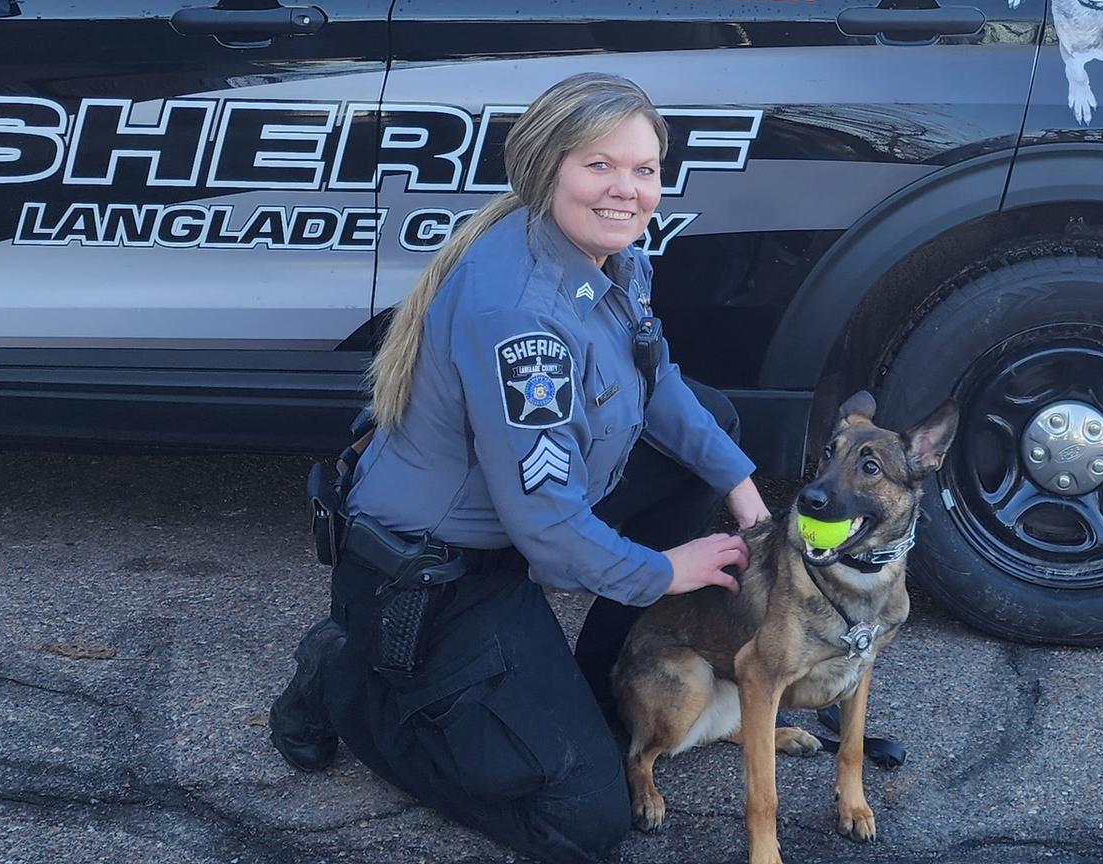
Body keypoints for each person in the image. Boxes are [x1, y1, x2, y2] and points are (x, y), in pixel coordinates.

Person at [268, 72, 769, 862]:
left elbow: (655, 377)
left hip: (516, 526)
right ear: (545, 168)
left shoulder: (610, 255)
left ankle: (599, 682)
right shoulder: (520, 317)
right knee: (581, 821)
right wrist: (664, 571)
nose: (627, 190)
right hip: (437, 575)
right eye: (599, 165)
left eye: (643, 169)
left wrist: (742, 489)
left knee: (714, 429)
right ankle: (343, 677)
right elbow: (548, 529)